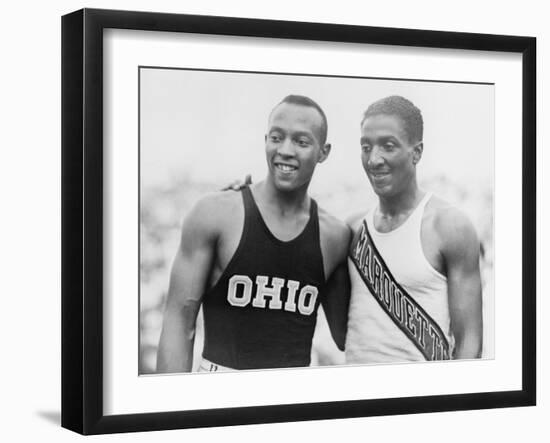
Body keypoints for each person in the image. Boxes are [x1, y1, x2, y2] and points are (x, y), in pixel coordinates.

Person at [156, 95, 350, 372]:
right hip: (218, 396)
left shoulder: (335, 236)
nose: (285, 149)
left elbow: (347, 336)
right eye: (276, 137)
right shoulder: (216, 213)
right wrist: (170, 411)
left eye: (301, 141)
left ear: (324, 152)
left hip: (291, 402)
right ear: (265, 140)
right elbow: (179, 322)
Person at [345, 95, 483, 363]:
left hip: (423, 398)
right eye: (366, 146)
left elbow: (469, 343)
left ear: (416, 152)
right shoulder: (352, 231)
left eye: (388, 146)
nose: (374, 159)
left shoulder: (449, 227)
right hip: (356, 397)